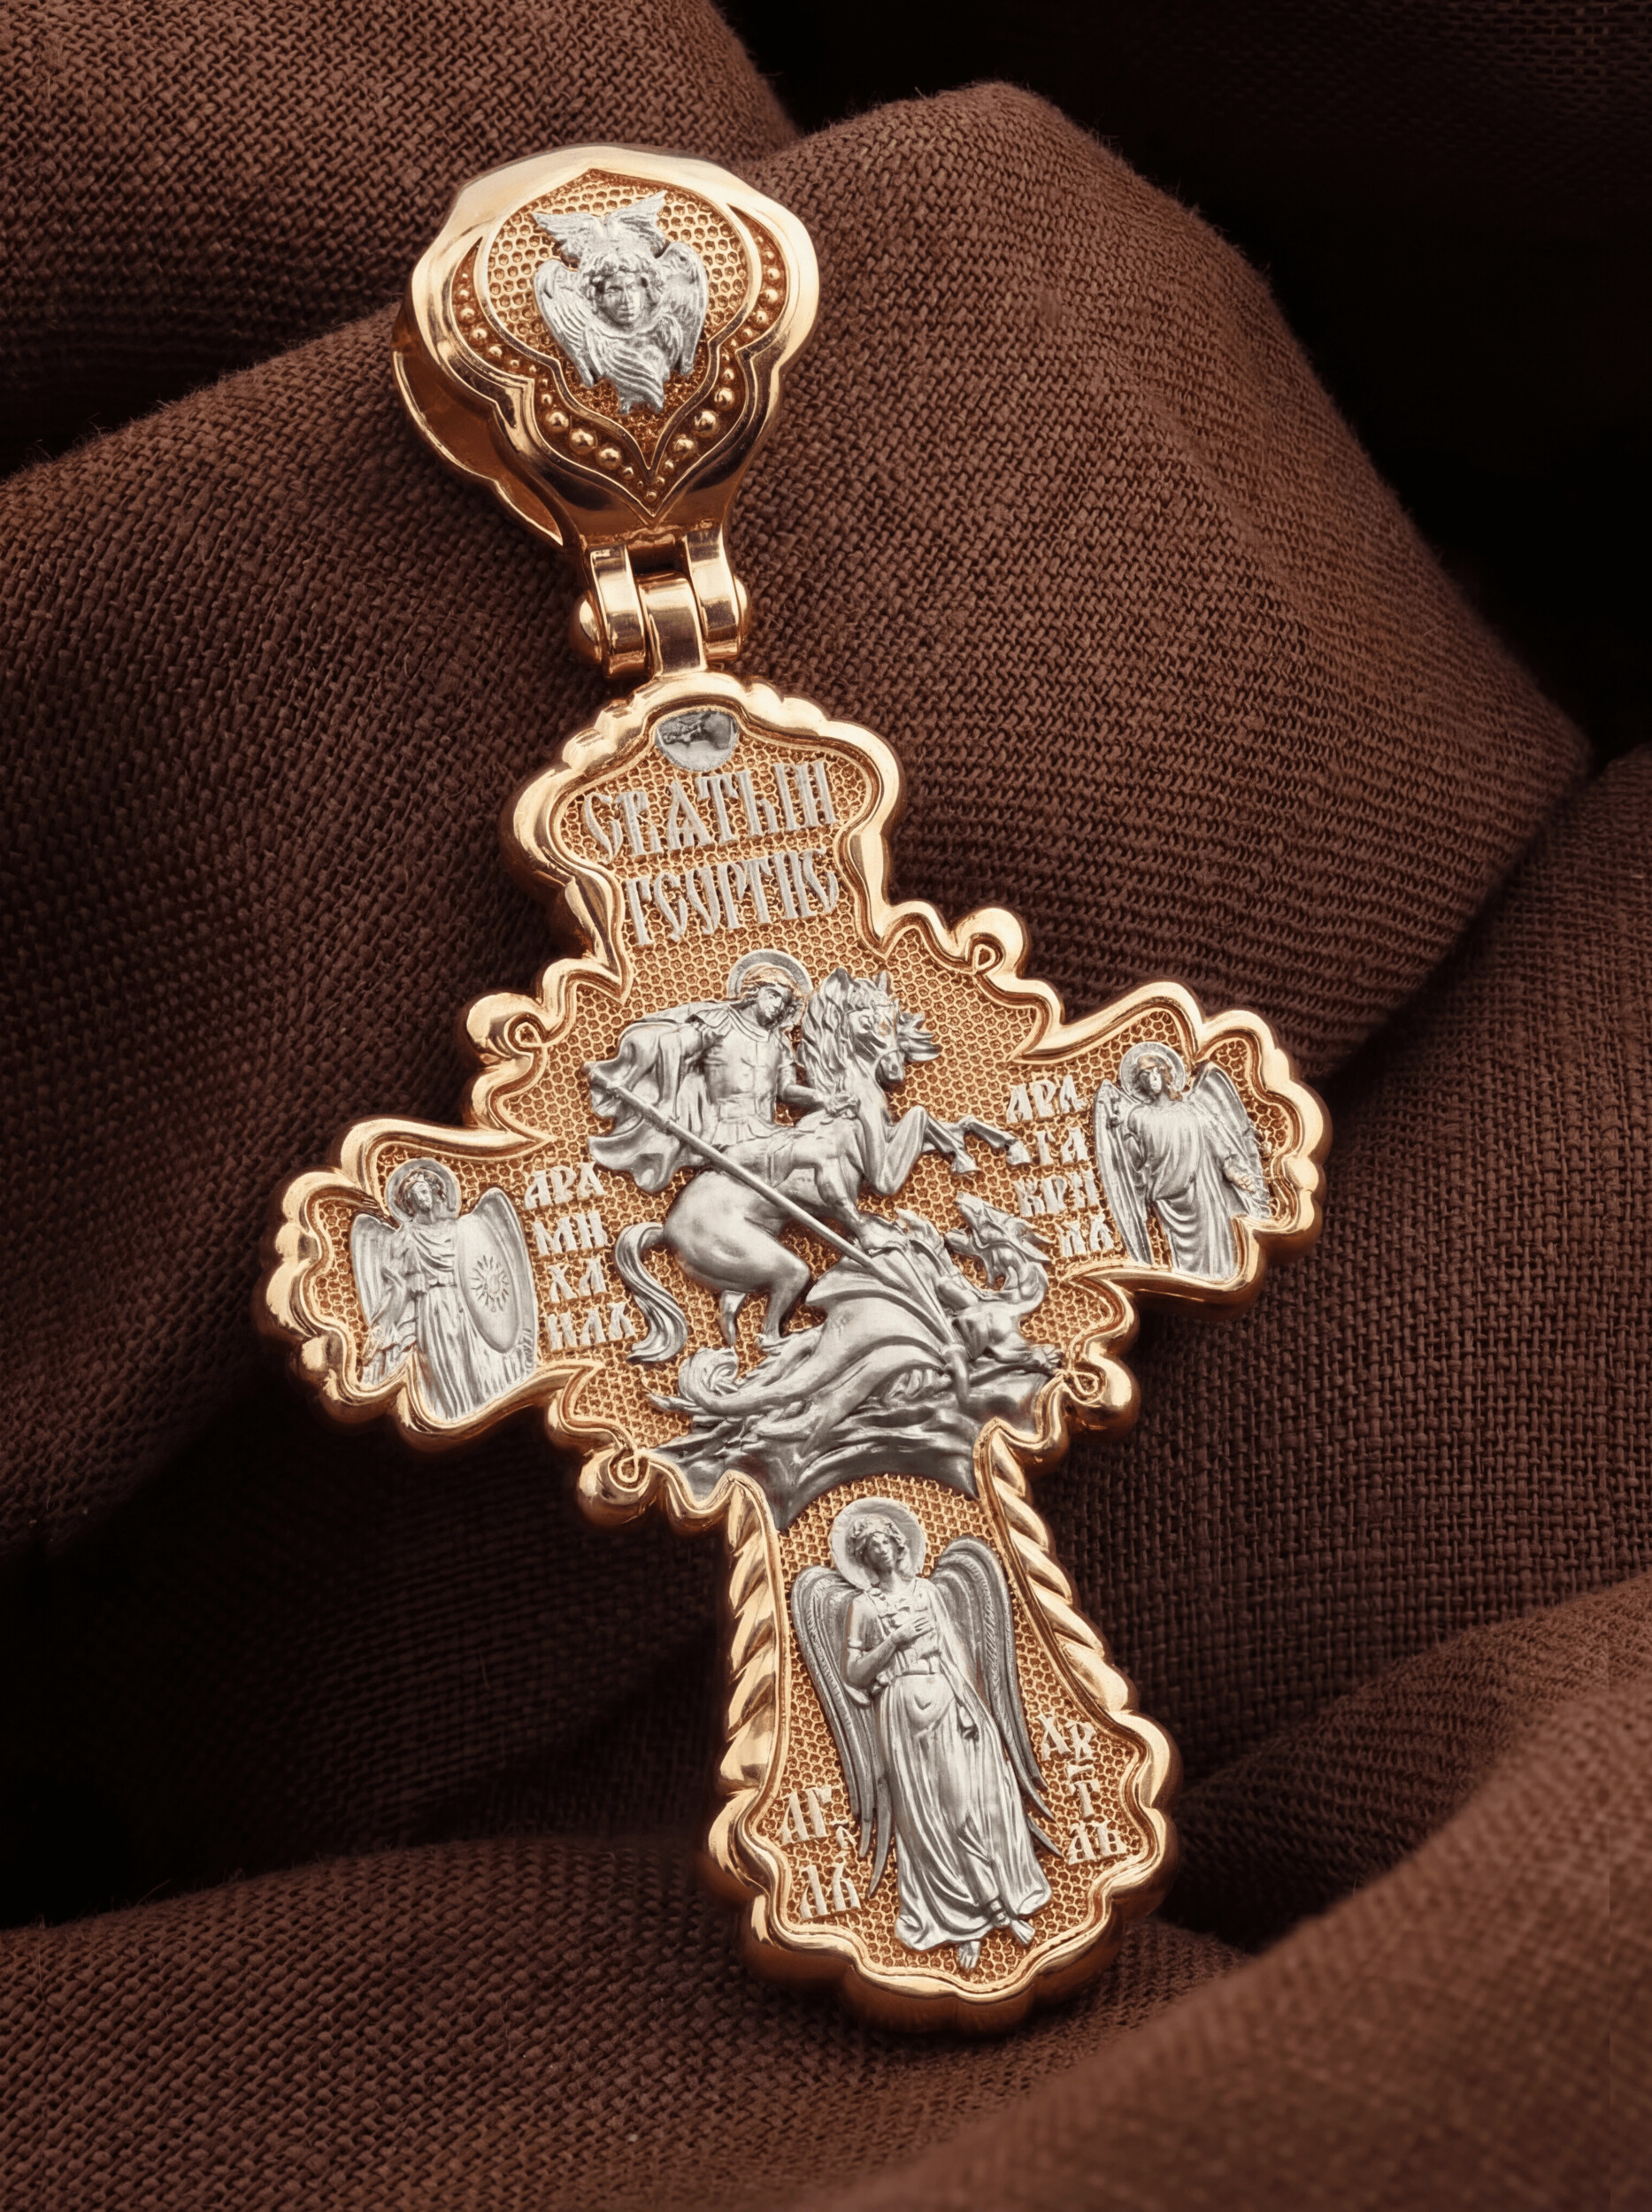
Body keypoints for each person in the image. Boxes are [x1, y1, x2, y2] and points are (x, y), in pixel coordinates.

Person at [840, 1514, 1051, 1970]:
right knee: (924, 1821)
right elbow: (853, 1673)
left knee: (965, 1807)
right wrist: (894, 1641)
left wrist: (971, 1708)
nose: (880, 1549)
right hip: (899, 1710)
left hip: (945, 1698)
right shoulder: (863, 1606)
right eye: (870, 1546)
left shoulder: (928, 1593)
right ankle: (966, 1924)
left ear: (898, 1544)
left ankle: (1001, 1907)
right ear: (863, 1558)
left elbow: (957, 1653)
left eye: (884, 1540)